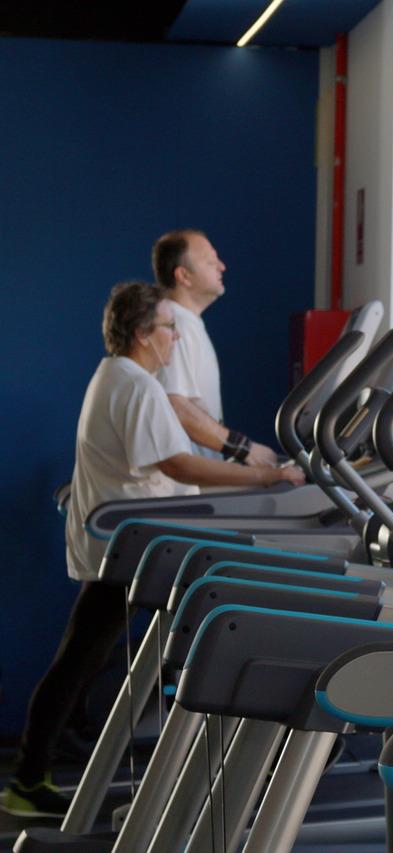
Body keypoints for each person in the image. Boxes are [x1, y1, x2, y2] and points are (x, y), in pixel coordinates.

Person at [0, 282, 304, 818]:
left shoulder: (117, 375)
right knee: (77, 662)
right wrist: (261, 479)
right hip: (130, 547)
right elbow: (177, 464)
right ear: (144, 334)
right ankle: (27, 780)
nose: (174, 337)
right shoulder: (137, 386)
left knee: (85, 659)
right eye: (168, 328)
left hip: (133, 543)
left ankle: (44, 766)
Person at [151, 228, 277, 467]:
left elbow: (190, 404)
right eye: (211, 262)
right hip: (185, 489)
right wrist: (243, 448)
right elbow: (176, 405)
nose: (222, 266)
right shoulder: (173, 325)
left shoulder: (190, 322)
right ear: (184, 276)